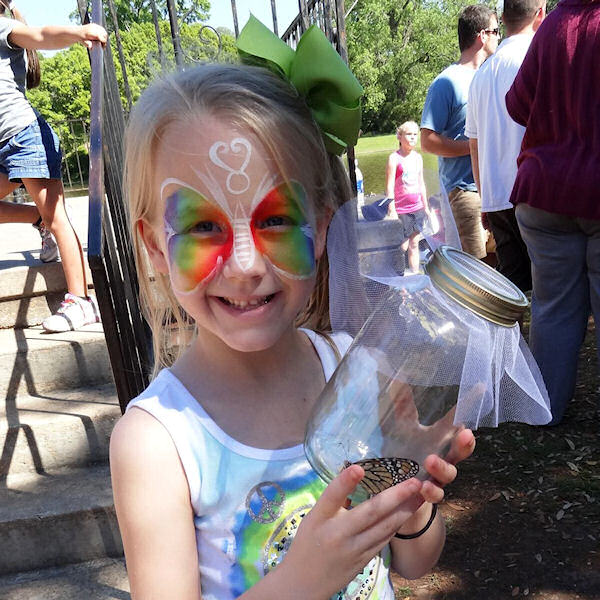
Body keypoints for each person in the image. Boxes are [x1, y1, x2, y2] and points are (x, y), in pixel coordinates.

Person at [109, 19, 476, 599]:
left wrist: (408, 500)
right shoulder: (157, 442)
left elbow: (412, 562)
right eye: (204, 227)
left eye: (275, 218)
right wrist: (306, 578)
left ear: (323, 224)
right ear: (155, 246)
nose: (247, 265)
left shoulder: (351, 369)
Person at [506, 0, 600, 425]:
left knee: (552, 306)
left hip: (542, 189)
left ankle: (545, 408)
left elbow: (516, 104)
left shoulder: (553, 24)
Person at [0, 1, 107, 331]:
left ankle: (82, 301)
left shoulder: (3, 27)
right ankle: (36, 219)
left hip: (23, 136)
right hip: (3, 145)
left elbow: (41, 34)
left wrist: (77, 33)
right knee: (46, 215)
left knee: (57, 216)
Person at [466, 0, 546, 293]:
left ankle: (511, 340)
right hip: (535, 194)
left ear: (503, 18)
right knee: (547, 288)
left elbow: (475, 146)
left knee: (512, 290)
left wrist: (484, 199)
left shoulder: (481, 76)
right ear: (541, 12)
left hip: (497, 196)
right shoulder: (536, 59)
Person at [420, 4, 499, 260]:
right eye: (496, 31)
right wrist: (474, 146)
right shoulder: (447, 82)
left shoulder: (491, 74)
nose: (500, 37)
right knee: (478, 276)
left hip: (495, 192)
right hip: (465, 193)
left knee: (504, 270)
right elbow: (428, 141)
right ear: (482, 35)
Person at [385, 121, 430, 275]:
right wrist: (392, 208)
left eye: (415, 134)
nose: (412, 138)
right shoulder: (394, 158)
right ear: (400, 136)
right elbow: (390, 185)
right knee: (403, 245)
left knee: (415, 242)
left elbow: (421, 183)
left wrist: (427, 207)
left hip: (417, 208)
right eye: (408, 134)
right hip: (402, 209)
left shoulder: (418, 158)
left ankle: (415, 274)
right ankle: (399, 272)